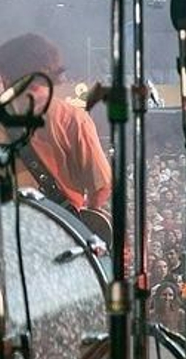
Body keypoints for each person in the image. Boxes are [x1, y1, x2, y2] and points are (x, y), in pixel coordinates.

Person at [0, 33, 113, 235]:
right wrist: (87, 219)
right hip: (59, 239)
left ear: (7, 74)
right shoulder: (71, 118)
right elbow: (101, 185)